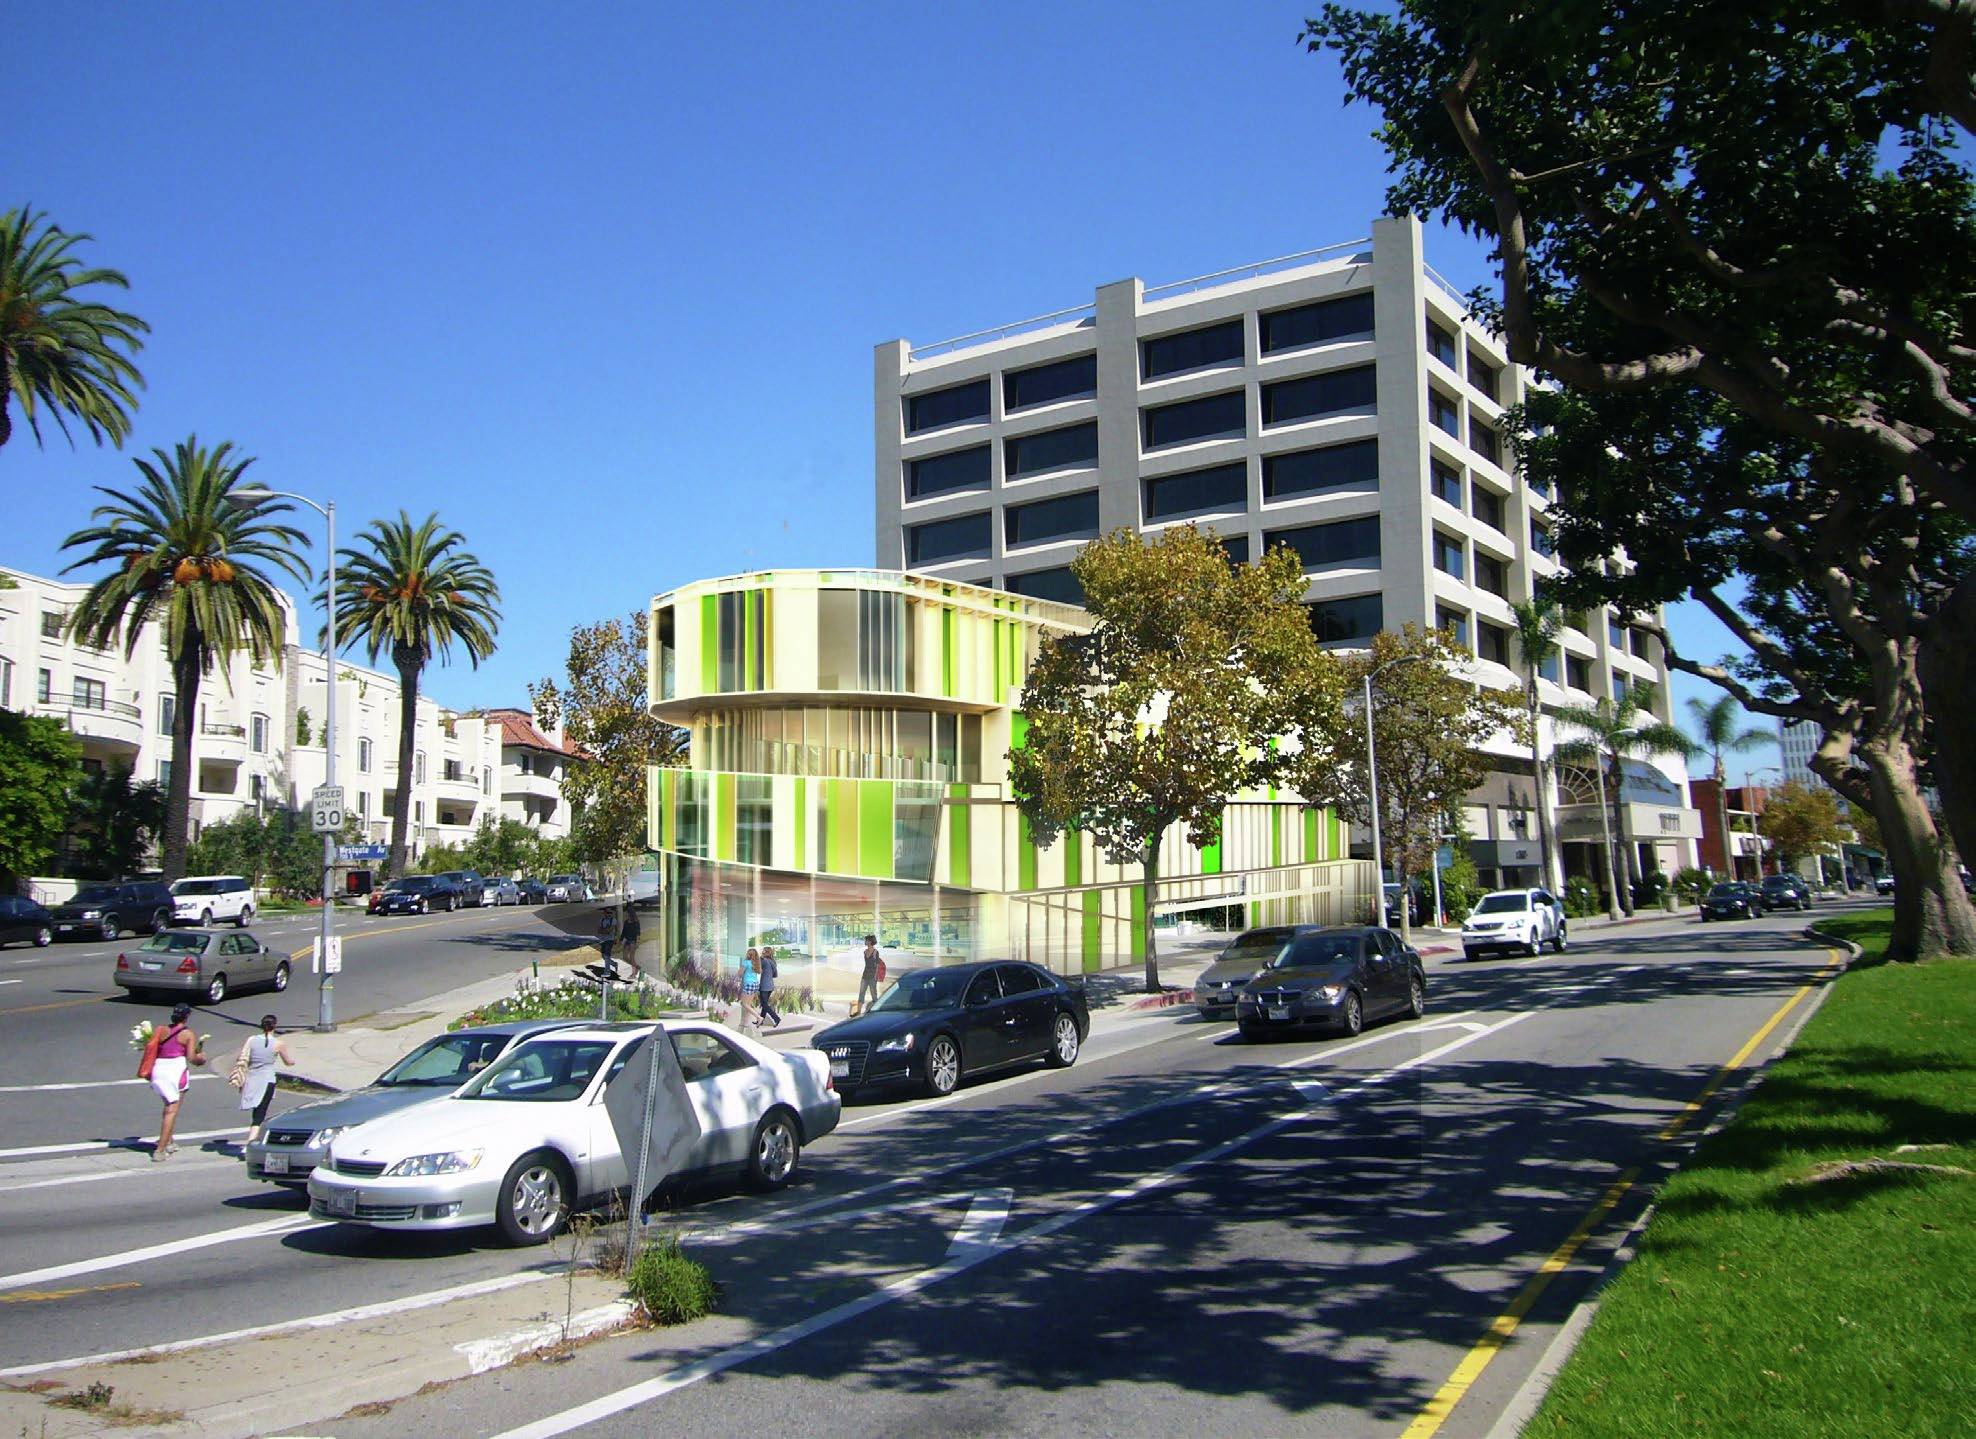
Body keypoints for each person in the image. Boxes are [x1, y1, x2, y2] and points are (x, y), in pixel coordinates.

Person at [148, 1003, 205, 1162]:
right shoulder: (188, 1034)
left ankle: (169, 1141)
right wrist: (201, 1058)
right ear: (186, 1017)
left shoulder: (162, 1030)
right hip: (175, 1070)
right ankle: (160, 1150)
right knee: (172, 1110)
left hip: (158, 1070)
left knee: (168, 1107)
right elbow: (192, 1058)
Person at [233, 1014, 295, 1147]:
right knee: (260, 1114)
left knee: (256, 1113)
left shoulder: (251, 1040)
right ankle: (251, 1143)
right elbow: (288, 1062)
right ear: (275, 1026)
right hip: (267, 1081)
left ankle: (253, 1140)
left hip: (251, 1080)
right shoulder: (278, 1043)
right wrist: (292, 1062)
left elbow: (241, 1056)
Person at [757, 945, 782, 1030]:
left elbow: (756, 968)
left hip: (764, 985)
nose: (762, 952)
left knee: (764, 1004)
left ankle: (776, 1018)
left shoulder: (763, 960)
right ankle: (761, 1020)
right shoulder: (773, 961)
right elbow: (775, 975)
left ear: (765, 952)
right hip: (770, 985)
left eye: (763, 951)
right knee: (765, 1004)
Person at [857, 934, 883, 1013]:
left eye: (866, 940)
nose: (865, 941)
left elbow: (878, 965)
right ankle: (858, 1012)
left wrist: (876, 976)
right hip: (865, 976)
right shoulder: (864, 952)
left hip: (872, 976)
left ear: (870, 941)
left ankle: (876, 1011)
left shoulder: (875, 952)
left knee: (874, 995)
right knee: (861, 993)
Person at [740, 949, 761, 1030]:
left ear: (748, 954)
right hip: (755, 984)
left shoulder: (746, 962)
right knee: (748, 1005)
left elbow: (740, 974)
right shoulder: (756, 963)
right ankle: (746, 1023)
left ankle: (758, 1017)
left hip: (748, 984)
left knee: (744, 1004)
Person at [596, 907, 619, 979]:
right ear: (604, 913)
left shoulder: (613, 920)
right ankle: (614, 964)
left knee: (606, 955)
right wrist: (605, 930)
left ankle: (607, 972)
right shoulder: (601, 920)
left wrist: (604, 930)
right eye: (608, 913)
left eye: (610, 913)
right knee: (603, 956)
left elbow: (609, 931)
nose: (609, 914)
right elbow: (599, 930)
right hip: (603, 940)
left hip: (610, 940)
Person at [619, 903, 642, 975]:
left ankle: (634, 972)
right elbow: (624, 931)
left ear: (630, 914)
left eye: (627, 913)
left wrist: (637, 943)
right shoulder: (626, 922)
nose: (626, 915)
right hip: (627, 941)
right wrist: (621, 939)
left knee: (632, 957)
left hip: (633, 942)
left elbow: (638, 933)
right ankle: (636, 966)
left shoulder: (636, 923)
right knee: (625, 957)